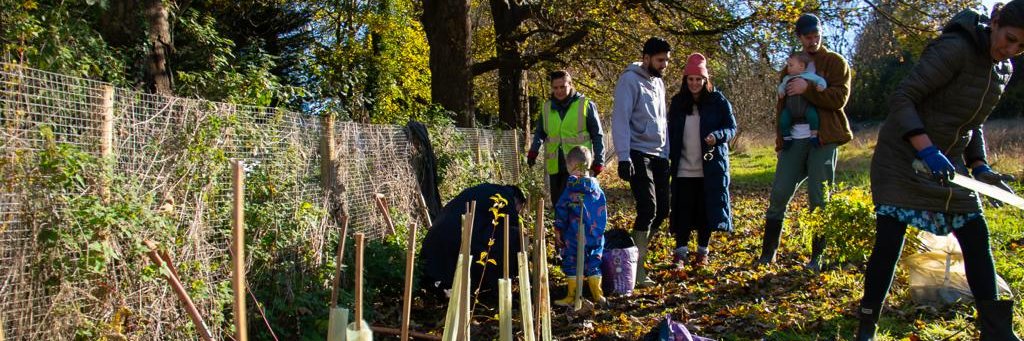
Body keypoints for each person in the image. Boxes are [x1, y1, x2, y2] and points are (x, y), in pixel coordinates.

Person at [856, 3, 1024, 340]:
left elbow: (972, 123)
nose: (1011, 49)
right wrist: (927, 149)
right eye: (1010, 39)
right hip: (903, 159)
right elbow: (903, 97)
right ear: (994, 22)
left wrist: (979, 166)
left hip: (949, 167)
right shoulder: (955, 48)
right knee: (889, 242)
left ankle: (996, 333)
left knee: (976, 236)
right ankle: (866, 327)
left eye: (1021, 46)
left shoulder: (1002, 69)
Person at [755, 13, 854, 270]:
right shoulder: (791, 64)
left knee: (819, 198)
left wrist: (807, 90)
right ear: (799, 37)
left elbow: (839, 99)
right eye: (808, 37)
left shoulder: (835, 62)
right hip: (793, 140)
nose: (813, 41)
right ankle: (767, 254)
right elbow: (782, 106)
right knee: (779, 193)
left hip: (823, 138)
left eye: (816, 36)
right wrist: (780, 140)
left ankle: (817, 257)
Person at [666, 53, 737, 270]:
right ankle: (680, 253)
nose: (695, 83)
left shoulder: (718, 101)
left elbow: (731, 128)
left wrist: (717, 136)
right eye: (691, 79)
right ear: (685, 80)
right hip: (683, 167)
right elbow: (668, 131)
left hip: (710, 167)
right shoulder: (678, 103)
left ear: (706, 80)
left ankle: (702, 252)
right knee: (683, 210)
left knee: (706, 210)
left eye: (699, 79)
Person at [612, 36, 672, 288]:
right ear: (646, 58)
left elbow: (662, 121)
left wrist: (666, 152)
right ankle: (636, 269)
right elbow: (621, 118)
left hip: (659, 154)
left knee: (663, 210)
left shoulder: (658, 83)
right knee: (647, 208)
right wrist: (623, 157)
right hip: (637, 152)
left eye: (666, 60)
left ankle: (636, 251)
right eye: (660, 60)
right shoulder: (629, 80)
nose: (664, 65)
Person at [419, 183, 527, 297]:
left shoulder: (487, 190)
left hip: (437, 236)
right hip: (457, 235)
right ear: (517, 201)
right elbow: (512, 226)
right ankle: (486, 289)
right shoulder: (506, 199)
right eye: (519, 209)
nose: (518, 212)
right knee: (513, 236)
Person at [527, 70, 606, 209]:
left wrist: (599, 161)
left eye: (562, 87)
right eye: (555, 87)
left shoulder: (585, 104)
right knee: (559, 205)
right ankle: (560, 224)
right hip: (556, 165)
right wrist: (533, 151)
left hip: (578, 165)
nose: (559, 91)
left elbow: (597, 135)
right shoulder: (546, 108)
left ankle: (580, 224)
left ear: (570, 84)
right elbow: (540, 132)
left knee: (578, 206)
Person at [553, 146, 608, 306]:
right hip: (595, 235)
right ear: (589, 165)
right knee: (594, 261)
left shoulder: (570, 189)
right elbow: (603, 211)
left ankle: (572, 296)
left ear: (569, 167)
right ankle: (597, 295)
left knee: (571, 261)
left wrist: (558, 229)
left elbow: (561, 210)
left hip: (573, 235)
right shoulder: (597, 189)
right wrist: (599, 231)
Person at [777, 52, 828, 150]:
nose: (788, 68)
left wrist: (821, 86)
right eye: (788, 65)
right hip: (790, 108)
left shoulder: (809, 76)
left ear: (801, 66)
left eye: (791, 65)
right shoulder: (787, 78)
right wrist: (781, 91)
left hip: (806, 107)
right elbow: (781, 86)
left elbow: (821, 80)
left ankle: (814, 135)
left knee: (813, 116)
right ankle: (787, 138)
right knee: (783, 120)